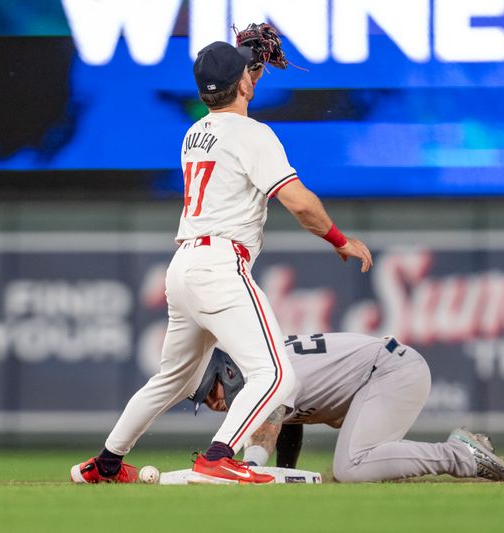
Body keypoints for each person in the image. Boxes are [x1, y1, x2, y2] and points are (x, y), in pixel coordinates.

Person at [70, 40, 373, 484]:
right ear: (244, 84)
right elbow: (301, 203)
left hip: (184, 267)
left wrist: (243, 70)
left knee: (171, 380)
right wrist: (339, 240)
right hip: (219, 264)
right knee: (276, 377)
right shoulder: (253, 135)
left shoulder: (195, 132)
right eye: (249, 74)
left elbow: (230, 96)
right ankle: (218, 456)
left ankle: (105, 463)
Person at [192, 332, 504, 483]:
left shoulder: (266, 370)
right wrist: (284, 473)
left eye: (211, 391)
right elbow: (288, 420)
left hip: (390, 372)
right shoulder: (263, 365)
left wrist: (252, 466)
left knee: (351, 466)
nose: (213, 403)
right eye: (205, 401)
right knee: (358, 464)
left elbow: (273, 416)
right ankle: (464, 453)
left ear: (228, 371)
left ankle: (462, 456)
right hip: (382, 374)